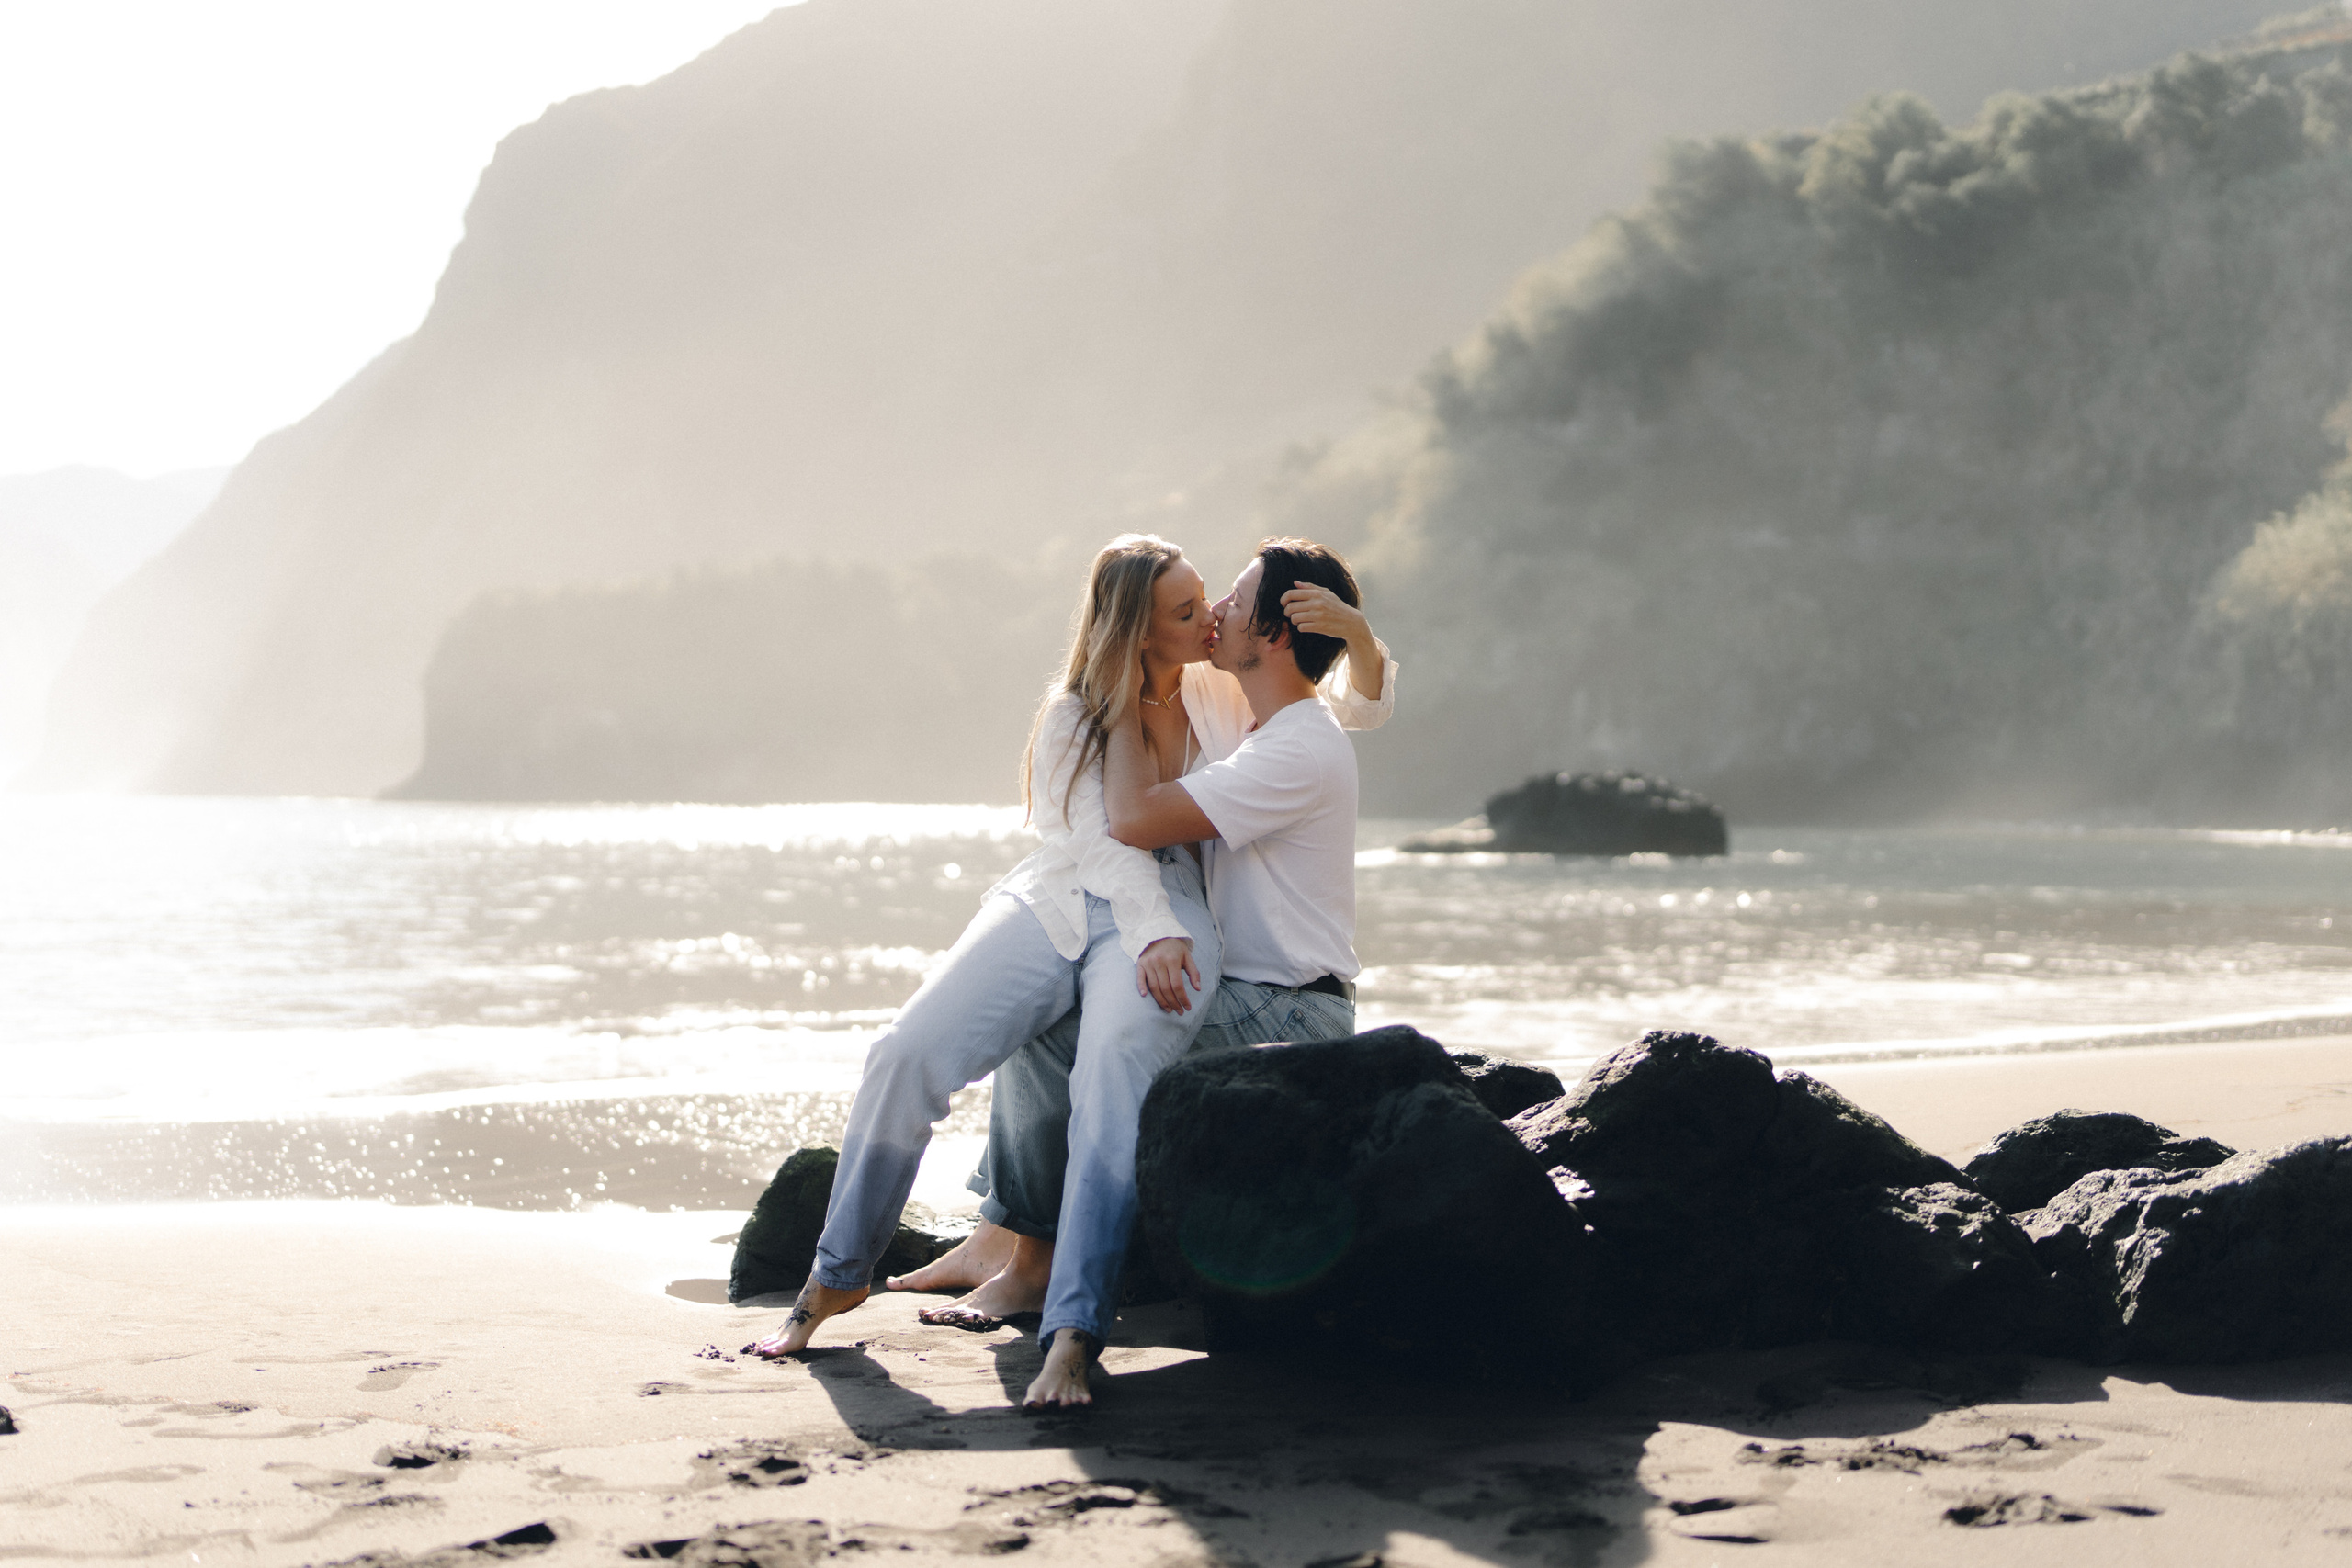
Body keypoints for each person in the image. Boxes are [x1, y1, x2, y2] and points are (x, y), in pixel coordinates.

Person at [899, 537, 1396, 1406]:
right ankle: (1010, 1238)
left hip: (1286, 1011)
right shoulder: (1245, 706)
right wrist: (1355, 640)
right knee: (1064, 983)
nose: (1216, 614)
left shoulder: (1292, 747)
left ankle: (1030, 1255)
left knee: (1070, 1017)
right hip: (1247, 986)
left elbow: (1130, 816)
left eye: (1235, 601)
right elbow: (1366, 700)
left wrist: (1124, 700)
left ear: (1275, 633)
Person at [746, 535, 1225, 1404]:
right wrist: (1147, 926)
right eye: (1187, 610)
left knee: (1112, 1078)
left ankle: (1075, 1330)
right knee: (903, 1049)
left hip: (1168, 910)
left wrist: (1354, 634)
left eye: (1204, 600)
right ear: (1135, 630)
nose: (1211, 617)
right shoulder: (1074, 712)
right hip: (1058, 897)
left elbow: (1334, 708)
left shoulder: (1215, 691)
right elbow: (1097, 840)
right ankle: (836, 1274)